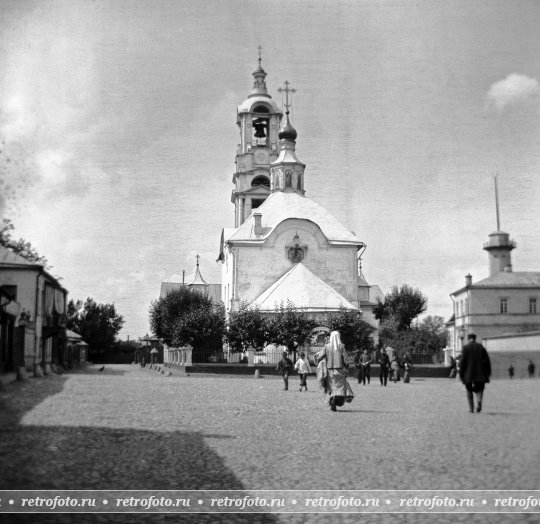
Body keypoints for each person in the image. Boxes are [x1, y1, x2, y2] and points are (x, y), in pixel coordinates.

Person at [459, 333, 491, 413]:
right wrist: (487, 373)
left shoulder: (465, 348)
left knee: (469, 390)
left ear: (468, 339)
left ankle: (471, 408)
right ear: (475, 338)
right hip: (480, 374)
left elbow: (462, 363)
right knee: (480, 389)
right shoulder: (481, 347)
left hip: (468, 374)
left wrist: (461, 374)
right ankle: (479, 401)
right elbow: (487, 361)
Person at [324, 331, 354, 411]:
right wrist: (346, 367)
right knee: (341, 387)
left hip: (329, 371)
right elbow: (346, 360)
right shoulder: (341, 347)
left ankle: (332, 400)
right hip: (339, 370)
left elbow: (320, 357)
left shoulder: (326, 346)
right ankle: (336, 401)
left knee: (332, 386)